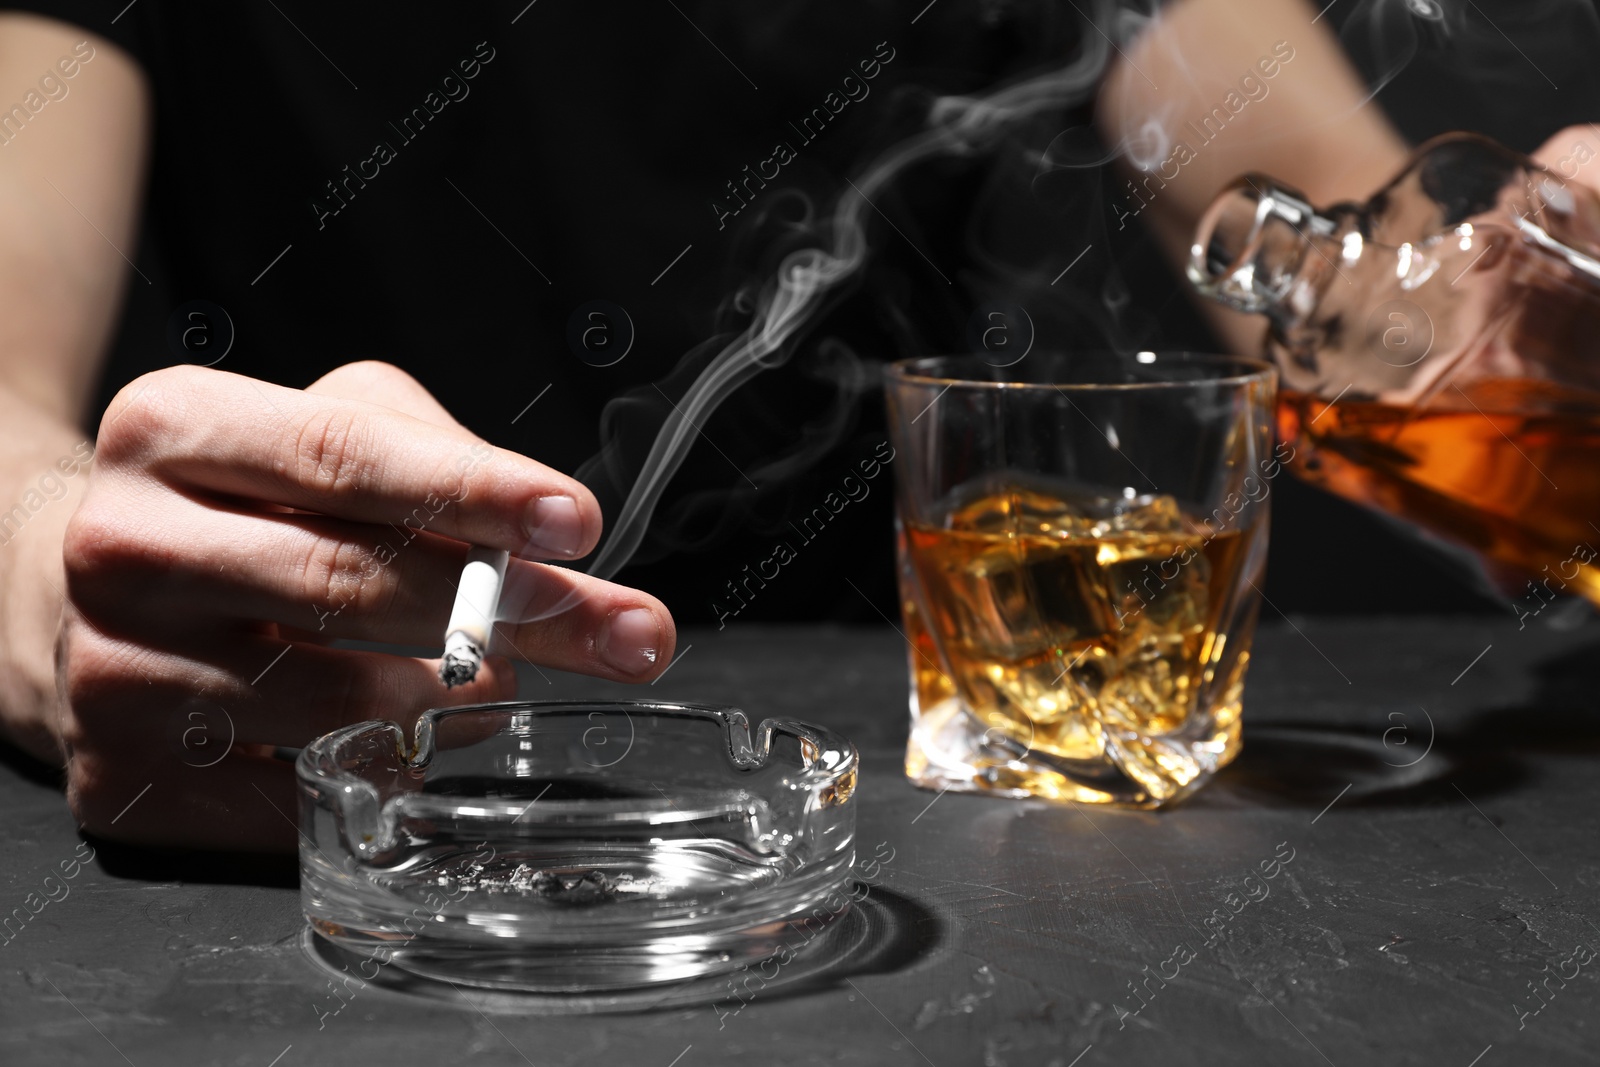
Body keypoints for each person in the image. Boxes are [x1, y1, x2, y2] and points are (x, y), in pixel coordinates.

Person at [0, 0, 1585, 851]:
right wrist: (69, 574)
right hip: (324, 795)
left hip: (913, 831)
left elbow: (1402, 335)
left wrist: (1535, 311)